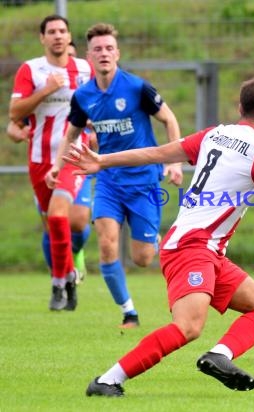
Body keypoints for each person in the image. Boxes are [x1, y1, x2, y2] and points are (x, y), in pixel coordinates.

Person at [62, 77, 254, 396]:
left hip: (206, 251)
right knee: (188, 326)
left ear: (241, 107)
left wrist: (102, 160)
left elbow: (159, 153)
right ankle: (107, 380)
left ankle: (219, 356)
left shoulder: (217, 133)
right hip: (191, 247)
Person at [47, 22, 184, 328]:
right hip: (108, 181)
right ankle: (129, 313)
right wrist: (58, 165)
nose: (104, 53)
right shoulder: (83, 96)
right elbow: (71, 134)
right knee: (107, 244)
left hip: (144, 181)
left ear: (117, 54)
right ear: (89, 56)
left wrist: (174, 163)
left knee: (143, 258)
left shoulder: (137, 88)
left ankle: (156, 240)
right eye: (98, 49)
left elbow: (169, 118)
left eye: (109, 48)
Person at [8, 15, 94, 311]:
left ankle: (60, 283)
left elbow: (99, 104)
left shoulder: (85, 69)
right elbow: (14, 112)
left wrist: (95, 132)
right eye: (52, 32)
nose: (58, 36)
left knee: (68, 219)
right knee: (53, 223)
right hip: (39, 160)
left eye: (63, 31)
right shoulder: (31, 70)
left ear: (69, 37)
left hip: (74, 156)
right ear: (42, 38)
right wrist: (46, 89)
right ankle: (66, 279)